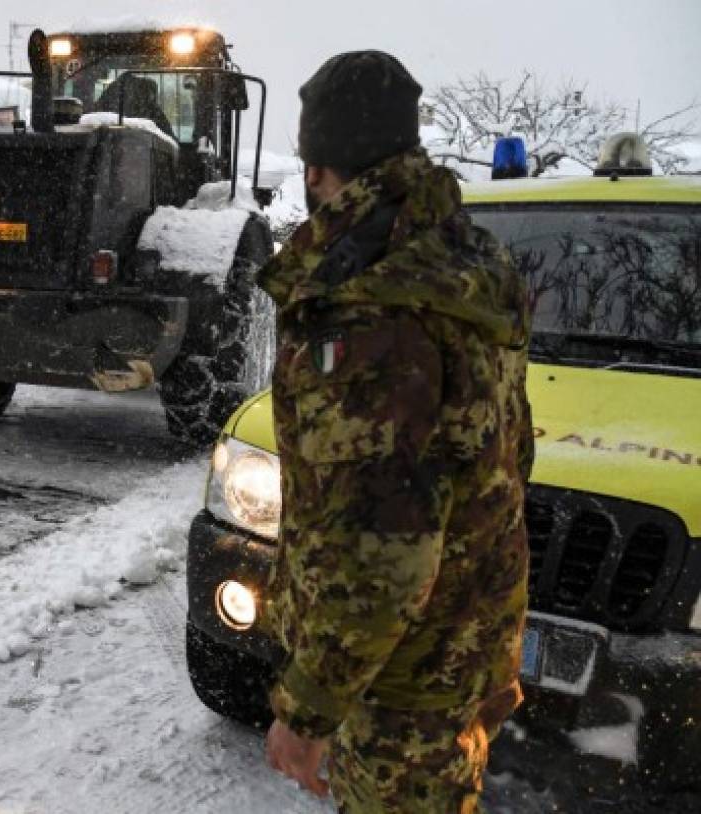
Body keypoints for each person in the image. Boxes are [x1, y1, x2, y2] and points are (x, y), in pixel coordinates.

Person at [257, 50, 534, 813]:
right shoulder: (461, 263)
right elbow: (504, 463)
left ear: (318, 167)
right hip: (461, 652)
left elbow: (386, 552)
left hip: (401, 688)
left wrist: (307, 712)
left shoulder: (371, 304)